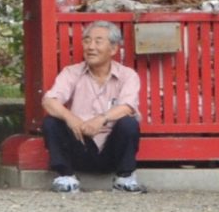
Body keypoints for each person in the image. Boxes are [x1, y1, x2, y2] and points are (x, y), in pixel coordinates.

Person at [38, 22, 143, 193]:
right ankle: (66, 176)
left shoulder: (127, 75)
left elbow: (128, 106)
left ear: (114, 49)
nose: (91, 47)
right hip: (80, 143)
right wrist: (71, 118)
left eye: (98, 41)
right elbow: (49, 100)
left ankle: (124, 178)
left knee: (129, 123)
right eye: (87, 41)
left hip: (111, 148)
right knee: (51, 122)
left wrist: (101, 119)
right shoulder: (71, 72)